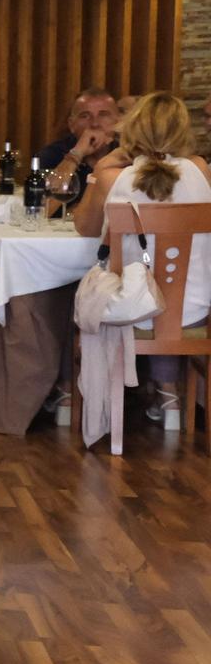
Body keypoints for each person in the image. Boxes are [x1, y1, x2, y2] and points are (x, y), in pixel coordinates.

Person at [71, 92, 211, 424]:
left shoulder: (113, 177)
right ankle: (169, 397)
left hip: (131, 311)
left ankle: (72, 395)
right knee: (167, 304)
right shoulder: (201, 170)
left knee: (81, 298)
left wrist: (101, 168)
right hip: (194, 311)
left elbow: (84, 228)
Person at [39, 86, 121, 200]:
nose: (95, 124)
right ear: (72, 125)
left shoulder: (130, 156)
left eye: (103, 115)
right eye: (85, 116)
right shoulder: (53, 154)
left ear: (118, 122)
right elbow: (45, 206)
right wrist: (76, 154)